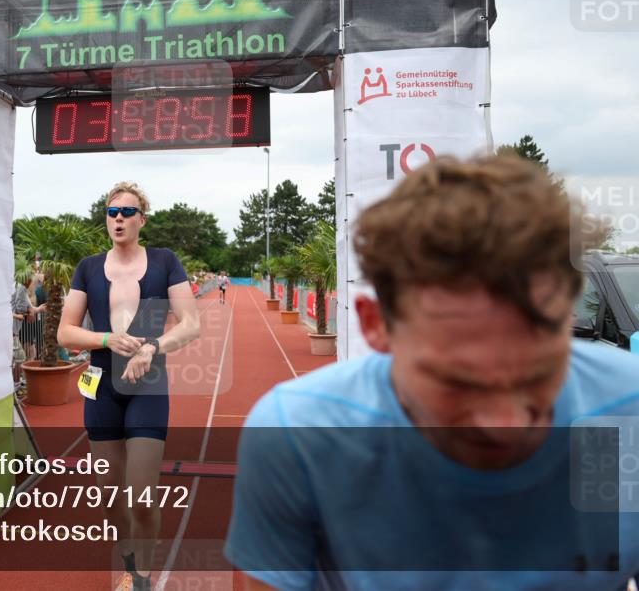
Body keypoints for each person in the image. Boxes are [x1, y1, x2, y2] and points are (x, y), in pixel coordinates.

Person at [225, 155, 639, 590]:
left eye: (539, 374)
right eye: (458, 382)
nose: (505, 424)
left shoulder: (624, 410)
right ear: (375, 324)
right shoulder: (301, 435)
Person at [58, 182, 200, 591]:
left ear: (142, 219)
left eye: (126, 211)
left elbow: (190, 324)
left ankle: (141, 577)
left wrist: (152, 347)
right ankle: (131, 559)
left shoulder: (164, 261)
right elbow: (66, 333)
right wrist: (106, 339)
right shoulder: (87, 267)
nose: (117, 218)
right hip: (101, 387)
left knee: (141, 495)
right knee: (110, 498)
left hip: (148, 386)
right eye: (111, 211)